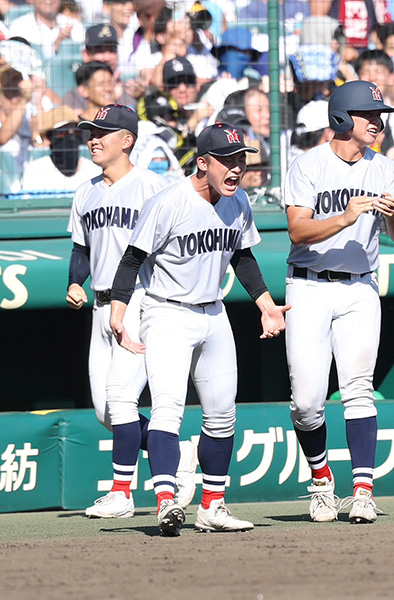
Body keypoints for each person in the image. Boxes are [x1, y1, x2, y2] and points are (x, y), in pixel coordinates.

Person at [108, 122, 290, 536]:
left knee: (223, 415)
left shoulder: (238, 200)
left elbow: (241, 257)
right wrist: (119, 312)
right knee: (168, 408)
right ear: (202, 162)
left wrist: (265, 305)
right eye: (227, 160)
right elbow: (132, 259)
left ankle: (213, 506)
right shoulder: (169, 202)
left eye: (240, 160)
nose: (236, 168)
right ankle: (166, 500)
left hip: (213, 312)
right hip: (167, 312)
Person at [282, 80, 394, 524]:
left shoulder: (385, 168)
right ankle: (321, 481)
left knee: (358, 390)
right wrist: (346, 216)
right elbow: (298, 231)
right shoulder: (308, 165)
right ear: (341, 119)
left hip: (360, 287)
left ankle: (362, 490)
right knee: (306, 401)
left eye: (379, 116)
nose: (377, 122)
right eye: (368, 115)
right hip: (309, 285)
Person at [66, 103, 196, 518]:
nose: (93, 139)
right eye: (91, 131)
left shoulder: (152, 187)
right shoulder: (85, 191)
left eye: (103, 132)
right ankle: (174, 453)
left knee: (121, 400)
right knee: (106, 411)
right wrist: (74, 281)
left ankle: (122, 491)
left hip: (139, 301)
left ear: (128, 141)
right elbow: (81, 247)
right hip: (101, 308)